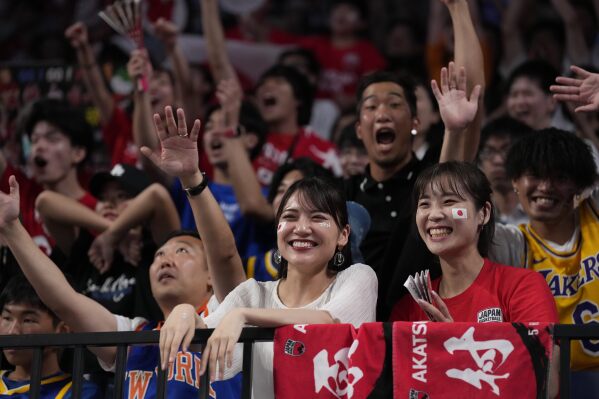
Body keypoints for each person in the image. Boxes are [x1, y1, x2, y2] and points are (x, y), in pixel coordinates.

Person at [0, 107, 251, 398]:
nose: (164, 258)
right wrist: (12, 230)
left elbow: (225, 255)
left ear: (210, 276)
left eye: (182, 251)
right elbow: (64, 301)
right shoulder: (134, 334)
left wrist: (192, 179)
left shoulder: (228, 314)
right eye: (159, 255)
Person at [140, 108, 377, 399]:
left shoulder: (359, 278)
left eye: (318, 218)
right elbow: (204, 341)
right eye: (290, 218)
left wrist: (243, 315)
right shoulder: (252, 294)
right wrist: (185, 312)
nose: (301, 228)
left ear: (343, 235)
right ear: (278, 232)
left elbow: (328, 322)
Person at [347, 0, 485, 319]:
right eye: (371, 107)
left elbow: (470, 93)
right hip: (358, 338)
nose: (382, 112)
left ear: (415, 122)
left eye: (394, 104)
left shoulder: (437, 167)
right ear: (358, 129)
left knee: (436, 191)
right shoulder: (344, 196)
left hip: (428, 328)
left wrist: (458, 9)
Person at [489, 129, 599, 393]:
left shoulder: (594, 214)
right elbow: (447, 202)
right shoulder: (511, 243)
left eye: (559, 178)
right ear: (515, 181)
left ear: (580, 187)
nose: (545, 187)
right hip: (548, 386)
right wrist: (458, 131)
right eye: (535, 176)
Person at [389, 161, 558, 324]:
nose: (434, 215)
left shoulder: (522, 287)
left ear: (483, 213)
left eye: (449, 201)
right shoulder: (410, 308)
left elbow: (545, 353)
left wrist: (453, 341)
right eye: (424, 204)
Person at [0, 98, 96, 256]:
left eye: (52, 139)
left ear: (78, 153)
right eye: (34, 140)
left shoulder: (95, 210)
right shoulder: (19, 190)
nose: (39, 147)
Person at [0, 275, 100, 398]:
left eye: (28, 320)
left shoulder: (79, 392)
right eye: (7, 318)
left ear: (63, 331)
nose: (12, 331)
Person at [477, 117, 532, 225]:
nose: (497, 160)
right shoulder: (477, 213)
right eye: (489, 151)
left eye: (506, 150)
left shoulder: (540, 213)